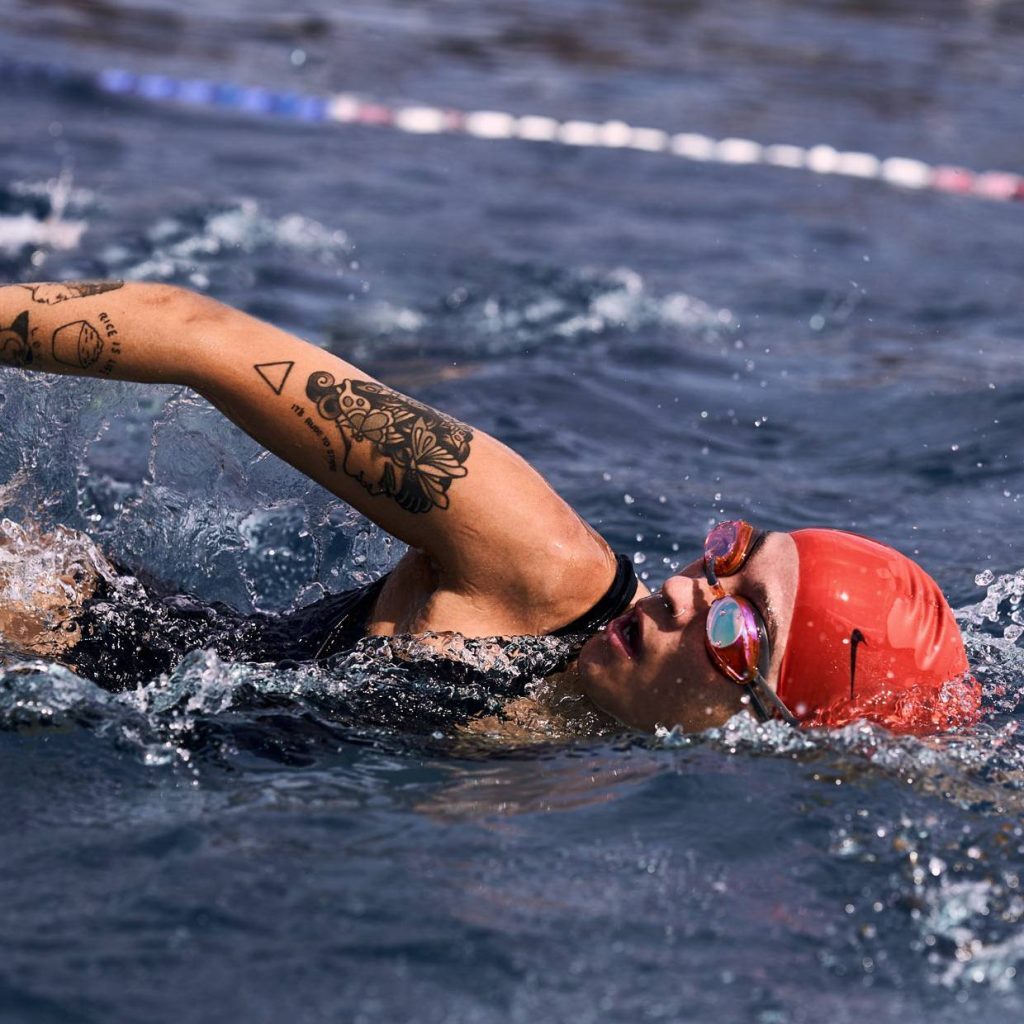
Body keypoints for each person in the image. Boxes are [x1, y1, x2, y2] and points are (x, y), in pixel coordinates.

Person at [0, 281, 981, 736]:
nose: (686, 590)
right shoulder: (539, 563)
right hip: (45, 623)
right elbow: (198, 334)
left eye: (738, 625)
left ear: (765, 724)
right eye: (726, 558)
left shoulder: (604, 769)